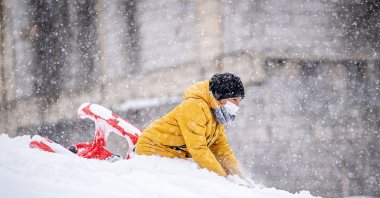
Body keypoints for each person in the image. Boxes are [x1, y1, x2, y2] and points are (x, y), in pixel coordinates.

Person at [135, 73, 245, 177]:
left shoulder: (216, 114)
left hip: (175, 153)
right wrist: (223, 178)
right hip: (153, 150)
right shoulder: (194, 106)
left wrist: (238, 176)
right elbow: (198, 148)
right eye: (234, 99)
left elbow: (221, 149)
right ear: (220, 95)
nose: (237, 105)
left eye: (239, 101)